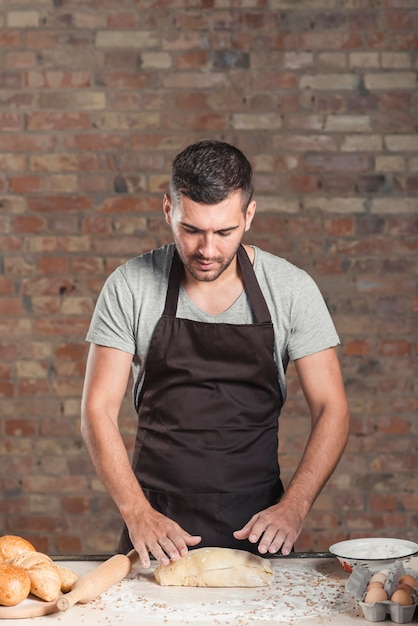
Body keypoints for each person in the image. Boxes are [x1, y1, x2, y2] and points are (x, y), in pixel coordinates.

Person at [81, 139, 350, 569]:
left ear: (249, 215)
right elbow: (96, 410)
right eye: (192, 230)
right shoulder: (129, 286)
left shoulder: (292, 289)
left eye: (225, 232)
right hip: (156, 530)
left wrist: (294, 507)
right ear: (169, 210)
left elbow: (332, 408)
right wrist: (137, 514)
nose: (208, 250)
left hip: (260, 530)